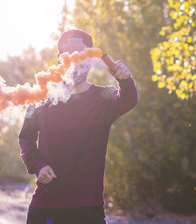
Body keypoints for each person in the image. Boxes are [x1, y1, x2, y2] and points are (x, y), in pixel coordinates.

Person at [18, 29, 138, 224]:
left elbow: (129, 100)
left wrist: (125, 81)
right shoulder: (43, 98)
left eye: (80, 59)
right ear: (60, 63)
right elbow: (26, 139)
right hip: (46, 207)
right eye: (69, 60)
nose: (75, 67)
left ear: (89, 61)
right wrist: (38, 166)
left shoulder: (103, 99)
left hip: (88, 210)